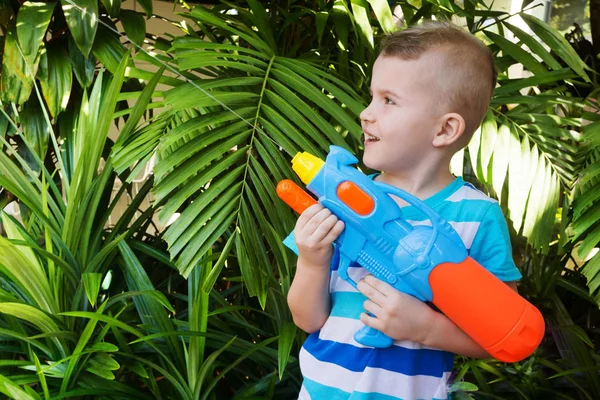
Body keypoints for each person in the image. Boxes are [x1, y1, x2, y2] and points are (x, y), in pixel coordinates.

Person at [284, 20, 522, 400]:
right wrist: (312, 260)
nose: (366, 113)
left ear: (445, 130)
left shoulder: (476, 218)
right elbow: (307, 319)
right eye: (372, 97)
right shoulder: (343, 201)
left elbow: (505, 335)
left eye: (388, 100)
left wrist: (425, 328)